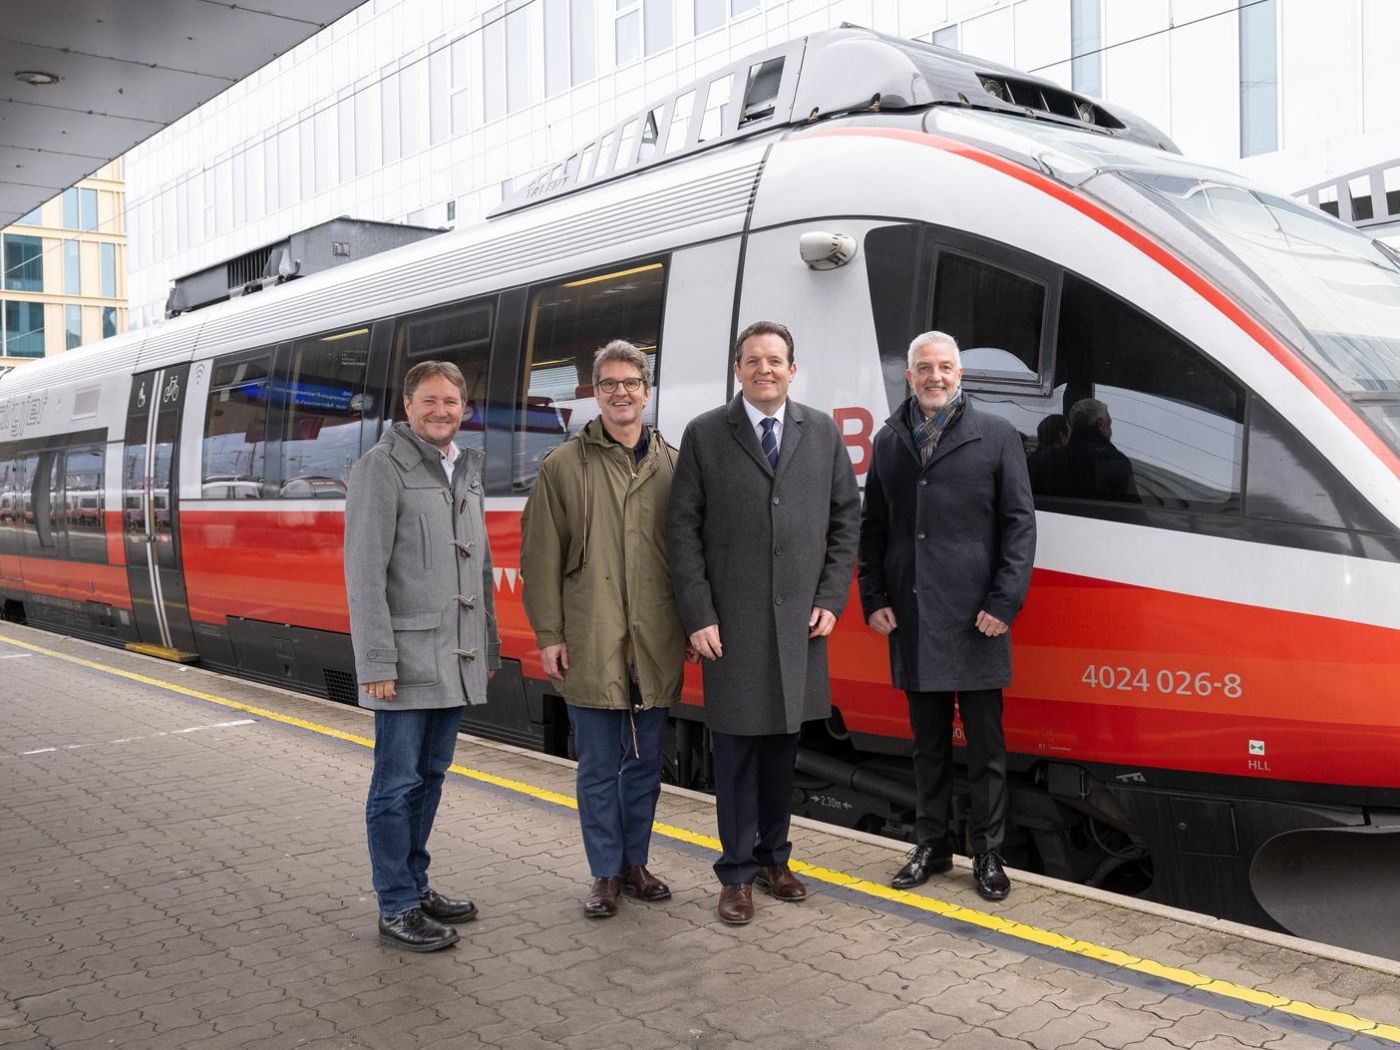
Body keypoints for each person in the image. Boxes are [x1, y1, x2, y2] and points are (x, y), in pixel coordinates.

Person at [667, 320, 860, 925]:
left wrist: (832, 596)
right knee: (735, 757)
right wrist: (698, 615)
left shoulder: (821, 431)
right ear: (738, 370)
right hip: (733, 626)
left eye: (775, 360)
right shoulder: (705, 434)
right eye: (752, 360)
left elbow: (847, 521)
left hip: (800, 625)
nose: (764, 370)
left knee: (783, 752)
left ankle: (776, 859)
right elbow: (682, 531)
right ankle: (736, 874)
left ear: (792, 369)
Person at [857, 331, 1035, 902]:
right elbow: (873, 527)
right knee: (927, 744)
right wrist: (873, 596)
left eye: (945, 367)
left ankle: (988, 853)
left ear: (960, 375)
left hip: (979, 618)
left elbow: (1020, 525)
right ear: (909, 375)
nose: (935, 376)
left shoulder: (997, 435)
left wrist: (1003, 603)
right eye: (924, 368)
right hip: (913, 613)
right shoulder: (890, 440)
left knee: (986, 748)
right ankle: (931, 845)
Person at [520, 340, 687, 919]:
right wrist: (549, 634)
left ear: (646, 390)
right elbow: (540, 557)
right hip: (591, 638)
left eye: (631, 382)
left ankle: (636, 864)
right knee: (597, 768)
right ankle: (605, 873)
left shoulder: (672, 463)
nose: (621, 393)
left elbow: (690, 556)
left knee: (643, 766)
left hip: (655, 640)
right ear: (594, 392)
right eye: (609, 383)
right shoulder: (563, 466)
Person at [345, 360, 500, 952]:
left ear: (464, 409)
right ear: (407, 406)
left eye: (451, 402)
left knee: (430, 776)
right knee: (395, 784)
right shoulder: (380, 468)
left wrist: (487, 644)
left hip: (453, 656)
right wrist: (376, 662)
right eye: (429, 401)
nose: (441, 411)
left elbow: (479, 568)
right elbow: (364, 574)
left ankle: (415, 883)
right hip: (406, 661)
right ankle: (396, 905)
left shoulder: (464, 470)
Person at [1034, 398, 1140, 502]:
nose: (1111, 432)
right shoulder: (1116, 462)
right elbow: (1133, 508)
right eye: (1109, 424)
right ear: (1100, 424)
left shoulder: (1045, 462)